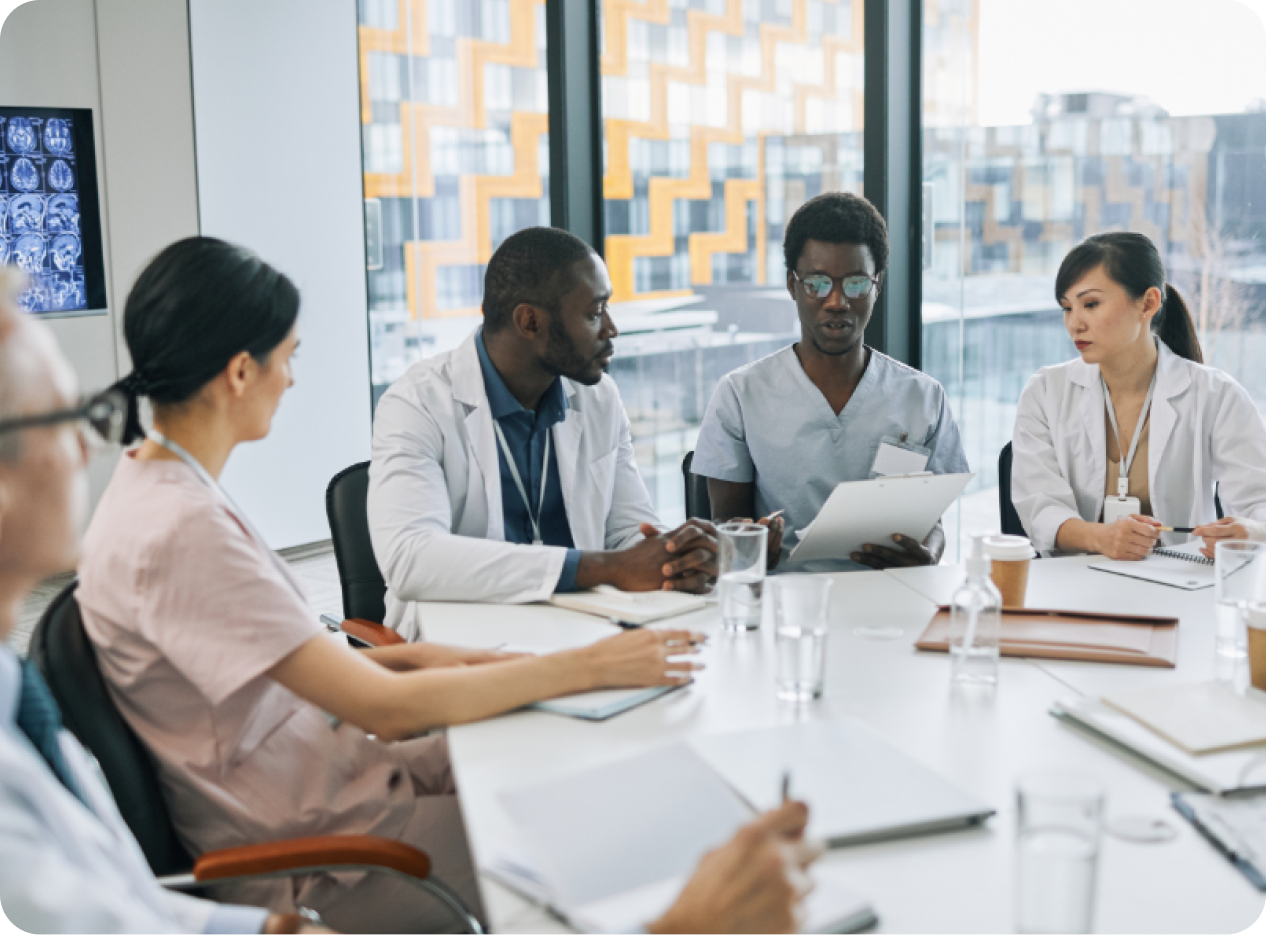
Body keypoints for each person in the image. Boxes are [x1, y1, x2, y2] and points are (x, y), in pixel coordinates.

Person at [0, 266, 820, 935]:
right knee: (623, 841)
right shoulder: (177, 525)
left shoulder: (178, 486)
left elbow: (348, 659)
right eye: (288, 355)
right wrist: (579, 666)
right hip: (324, 854)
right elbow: (381, 699)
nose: (294, 376)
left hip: (340, 781)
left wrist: (553, 664)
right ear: (240, 371)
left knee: (597, 774)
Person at [0, 267, 330, 935]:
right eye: (75, 419)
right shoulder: (172, 520)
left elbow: (110, 896)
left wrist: (265, 930)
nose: (87, 450)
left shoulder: (13, 688)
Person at [368, 226, 717, 636]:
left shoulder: (599, 398)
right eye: (594, 313)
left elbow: (627, 531)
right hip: (461, 640)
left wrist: (674, 558)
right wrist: (606, 567)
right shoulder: (416, 403)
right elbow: (411, 558)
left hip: (581, 629)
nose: (611, 329)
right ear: (530, 321)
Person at [691, 192, 968, 572]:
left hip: (888, 596)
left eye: (855, 283)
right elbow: (726, 524)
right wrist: (749, 548)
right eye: (817, 283)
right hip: (784, 601)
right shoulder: (740, 394)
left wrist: (929, 555)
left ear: (877, 285)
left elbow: (931, 524)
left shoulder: (923, 397)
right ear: (793, 285)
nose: (837, 301)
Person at [1011, 231, 1266, 558]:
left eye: (1091, 304)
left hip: (1181, 584)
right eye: (1066, 308)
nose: (1074, 323)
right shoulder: (1045, 391)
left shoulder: (1217, 395)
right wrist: (1100, 538)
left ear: (1148, 303)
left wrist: (1250, 532)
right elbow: (1039, 507)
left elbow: (1259, 502)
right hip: (1075, 584)